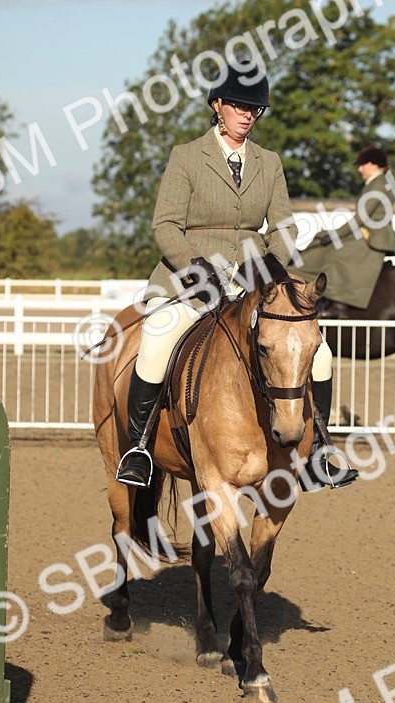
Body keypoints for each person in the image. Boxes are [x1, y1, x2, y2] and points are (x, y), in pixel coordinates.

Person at [116, 60, 358, 492]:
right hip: (189, 280)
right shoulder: (187, 157)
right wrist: (196, 265)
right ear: (219, 105)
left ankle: (320, 448)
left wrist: (268, 263)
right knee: (155, 338)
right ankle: (139, 449)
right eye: (241, 106)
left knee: (318, 354)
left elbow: (283, 226)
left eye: (256, 109)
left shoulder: (269, 162)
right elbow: (165, 225)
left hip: (254, 282)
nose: (248, 115)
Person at [298, 144, 395, 314]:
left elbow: (360, 218)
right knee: (321, 238)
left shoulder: (379, 185)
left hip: (374, 237)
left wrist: (334, 236)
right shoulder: (375, 183)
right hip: (366, 233)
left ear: (373, 165)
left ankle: (339, 302)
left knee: (338, 255)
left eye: (362, 165)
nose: (359, 169)